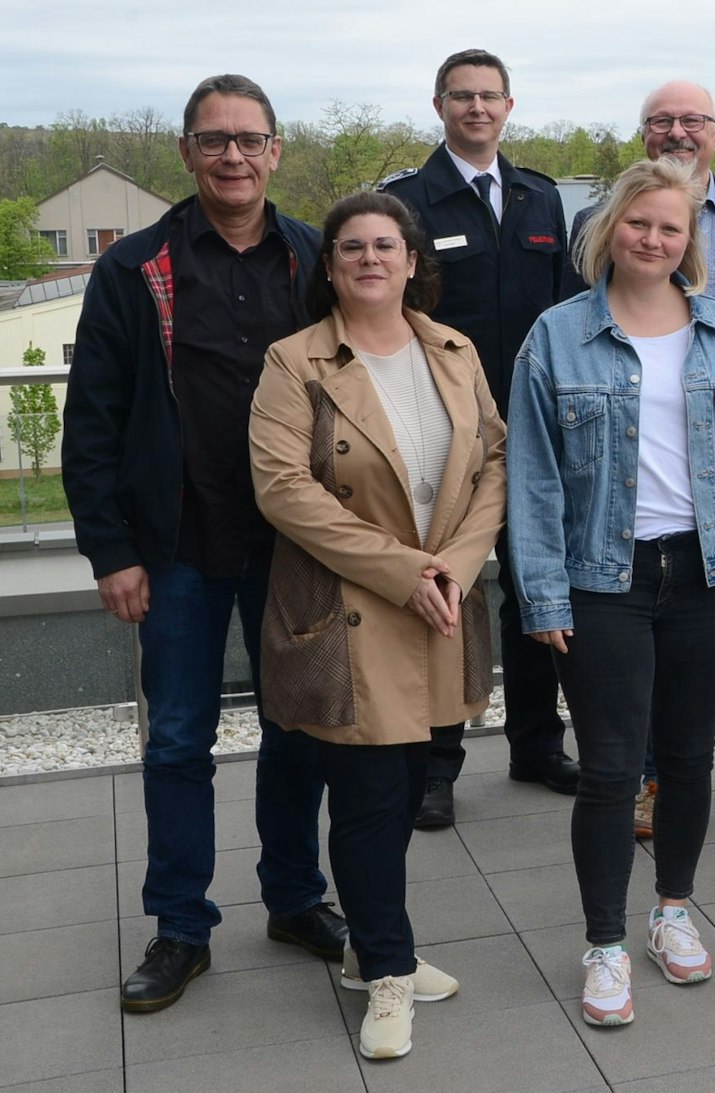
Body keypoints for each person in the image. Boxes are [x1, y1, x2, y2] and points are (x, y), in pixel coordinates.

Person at [62, 74, 345, 1014]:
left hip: (293, 545)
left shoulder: (315, 258)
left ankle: (295, 897)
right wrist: (112, 551)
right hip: (175, 546)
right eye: (214, 140)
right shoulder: (133, 268)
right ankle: (182, 924)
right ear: (186, 153)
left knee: (296, 728)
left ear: (276, 151)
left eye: (249, 140)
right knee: (177, 738)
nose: (233, 156)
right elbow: (93, 419)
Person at [507, 158, 715, 1028]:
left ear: (689, 240)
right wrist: (545, 594)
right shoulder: (555, 336)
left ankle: (672, 909)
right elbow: (533, 476)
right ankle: (604, 942)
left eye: (671, 228)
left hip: (708, 571)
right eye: (638, 224)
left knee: (689, 755)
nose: (654, 239)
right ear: (607, 231)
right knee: (607, 767)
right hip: (604, 580)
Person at [249, 192, 506, 1060]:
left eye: (384, 246)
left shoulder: (454, 348)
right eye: (350, 246)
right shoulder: (296, 362)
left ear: (410, 260)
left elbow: (496, 463)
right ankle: (386, 972)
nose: (369, 259)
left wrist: (457, 567)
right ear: (328, 265)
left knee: (405, 791)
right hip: (356, 606)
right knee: (366, 799)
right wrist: (405, 573)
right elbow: (284, 489)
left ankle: (371, 942)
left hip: (441, 600)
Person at [564, 81, 715, 839]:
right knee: (643, 644)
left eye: (692, 119)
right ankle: (645, 778)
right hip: (634, 467)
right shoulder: (592, 223)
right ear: (645, 135)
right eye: (662, 120)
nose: (678, 130)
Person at [381, 48, 577, 828]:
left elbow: (563, 311)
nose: (477, 109)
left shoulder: (540, 198)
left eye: (490, 96)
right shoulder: (406, 203)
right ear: (439, 105)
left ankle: (536, 743)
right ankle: (436, 763)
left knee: (537, 587)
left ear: (509, 104)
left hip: (531, 427)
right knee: (448, 594)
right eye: (462, 96)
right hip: (443, 436)